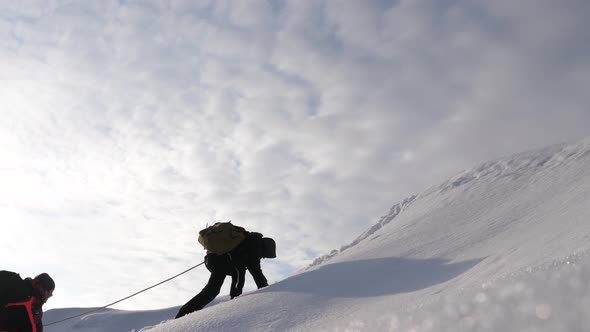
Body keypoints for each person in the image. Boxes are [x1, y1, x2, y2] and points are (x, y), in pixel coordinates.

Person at [175, 230, 276, 318]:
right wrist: (267, 290)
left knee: (212, 291)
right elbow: (256, 273)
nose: (263, 257)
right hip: (221, 261)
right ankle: (234, 302)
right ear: (266, 249)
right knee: (239, 272)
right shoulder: (255, 246)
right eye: (266, 255)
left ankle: (183, 314)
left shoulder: (249, 240)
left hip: (213, 259)